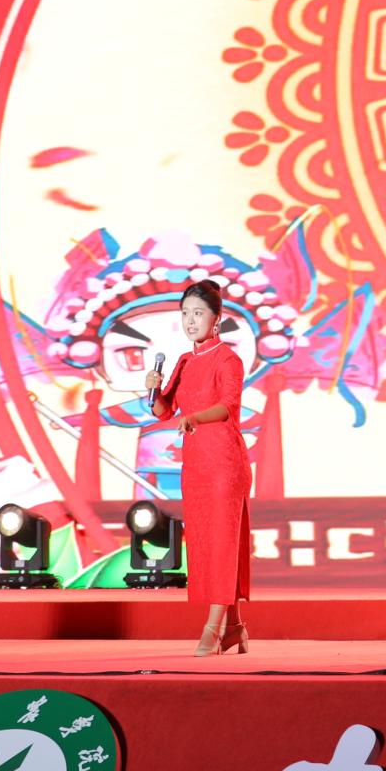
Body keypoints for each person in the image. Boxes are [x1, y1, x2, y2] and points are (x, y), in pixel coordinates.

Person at [146, 280, 251, 655]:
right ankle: (235, 628)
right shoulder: (185, 361)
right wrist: (153, 391)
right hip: (195, 464)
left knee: (222, 542)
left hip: (224, 462)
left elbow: (228, 407)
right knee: (208, 544)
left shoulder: (228, 360)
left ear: (217, 318)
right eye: (185, 314)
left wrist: (195, 417)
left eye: (199, 313)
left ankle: (213, 629)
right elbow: (164, 411)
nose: (191, 321)